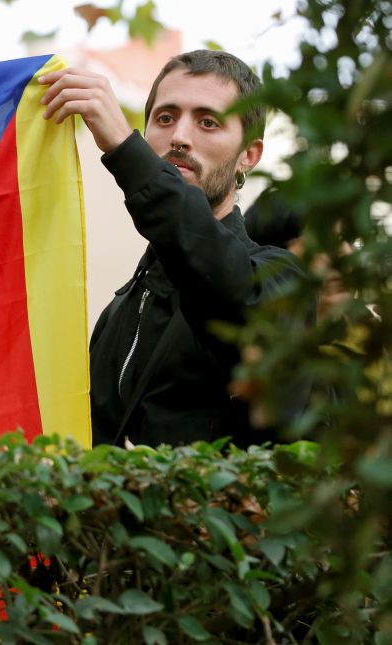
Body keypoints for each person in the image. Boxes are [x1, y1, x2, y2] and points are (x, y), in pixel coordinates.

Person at [39, 50, 311, 447]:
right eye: (165, 118)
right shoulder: (119, 309)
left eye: (208, 122)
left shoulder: (280, 277)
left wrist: (125, 152)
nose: (180, 137)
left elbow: (226, 288)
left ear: (248, 156)